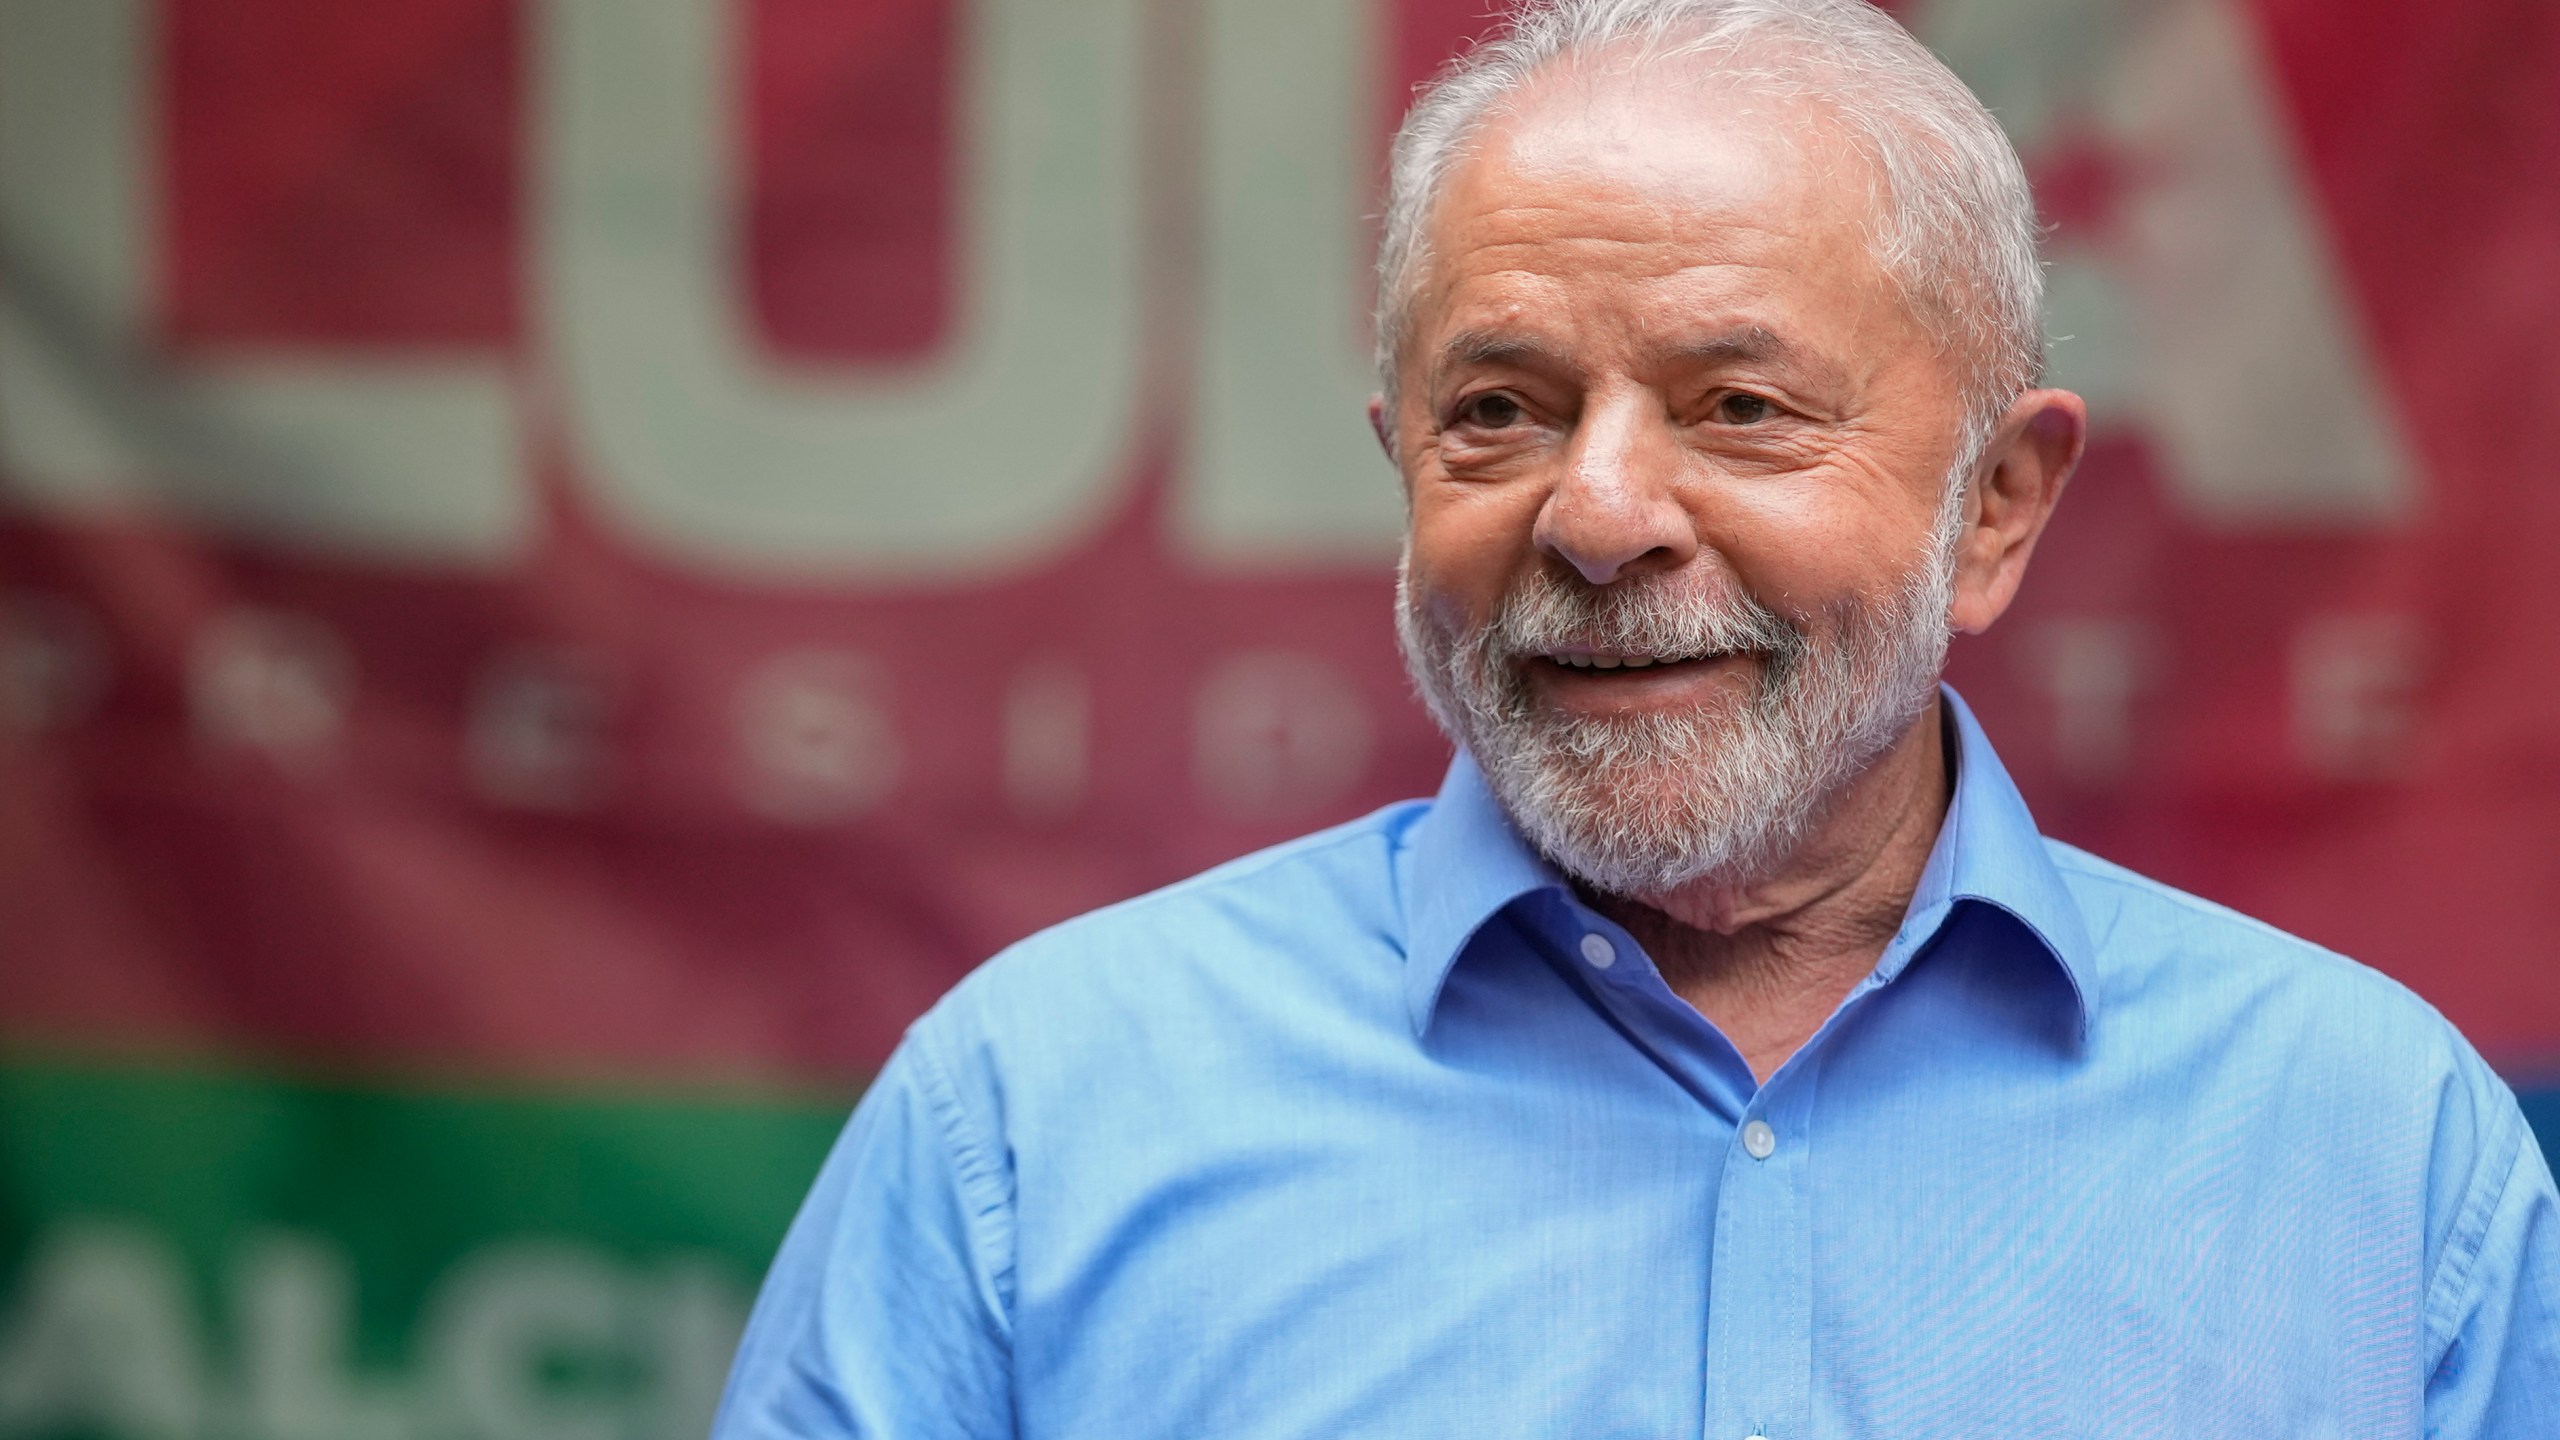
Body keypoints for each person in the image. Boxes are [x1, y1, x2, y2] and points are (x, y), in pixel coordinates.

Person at [713, 0, 2559, 1433]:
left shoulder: (2376, 1158)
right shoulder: (1042, 1115)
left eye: (1740, 405)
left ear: (1994, 505)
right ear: (1398, 467)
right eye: (1500, 410)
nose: (1597, 516)